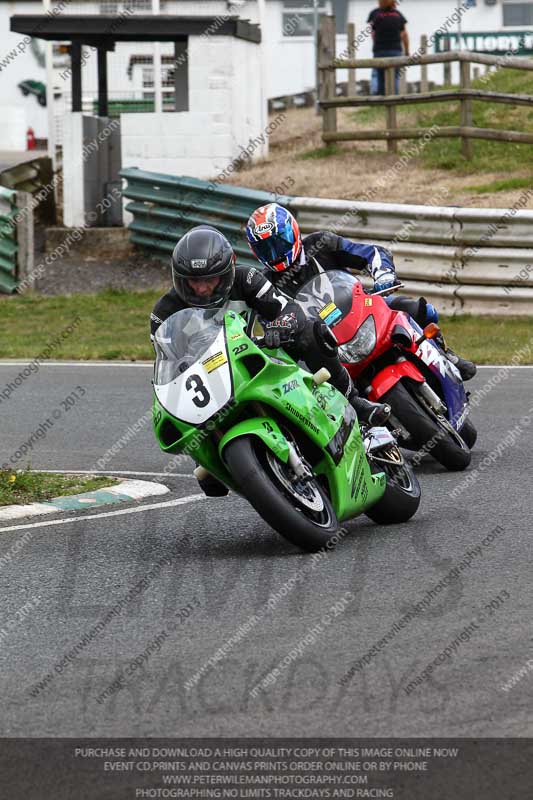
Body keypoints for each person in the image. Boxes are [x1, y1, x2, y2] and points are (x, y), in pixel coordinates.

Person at [151, 225, 391, 496]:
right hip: (212, 375)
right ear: (179, 279)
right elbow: (168, 364)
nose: (203, 288)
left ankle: (353, 399)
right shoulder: (164, 313)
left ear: (227, 271)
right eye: (194, 281)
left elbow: (290, 309)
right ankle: (206, 458)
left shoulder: (246, 278)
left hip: (259, 353)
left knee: (312, 331)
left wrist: (280, 327)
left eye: (211, 279)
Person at [245, 203, 476, 381]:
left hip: (362, 311)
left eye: (279, 242)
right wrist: (276, 334)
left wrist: (383, 274)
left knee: (419, 309)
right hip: (326, 344)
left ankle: (445, 354)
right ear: (256, 251)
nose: (275, 252)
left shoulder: (321, 244)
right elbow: (270, 324)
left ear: (293, 231)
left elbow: (371, 252)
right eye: (266, 247)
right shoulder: (264, 286)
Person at [368, 0, 409, 96]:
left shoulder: (375, 14)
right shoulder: (398, 15)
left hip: (379, 50)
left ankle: (378, 98)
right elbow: (404, 34)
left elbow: (373, 33)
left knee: (379, 75)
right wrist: (407, 50)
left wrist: (376, 45)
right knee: (395, 76)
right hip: (395, 50)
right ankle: (394, 98)